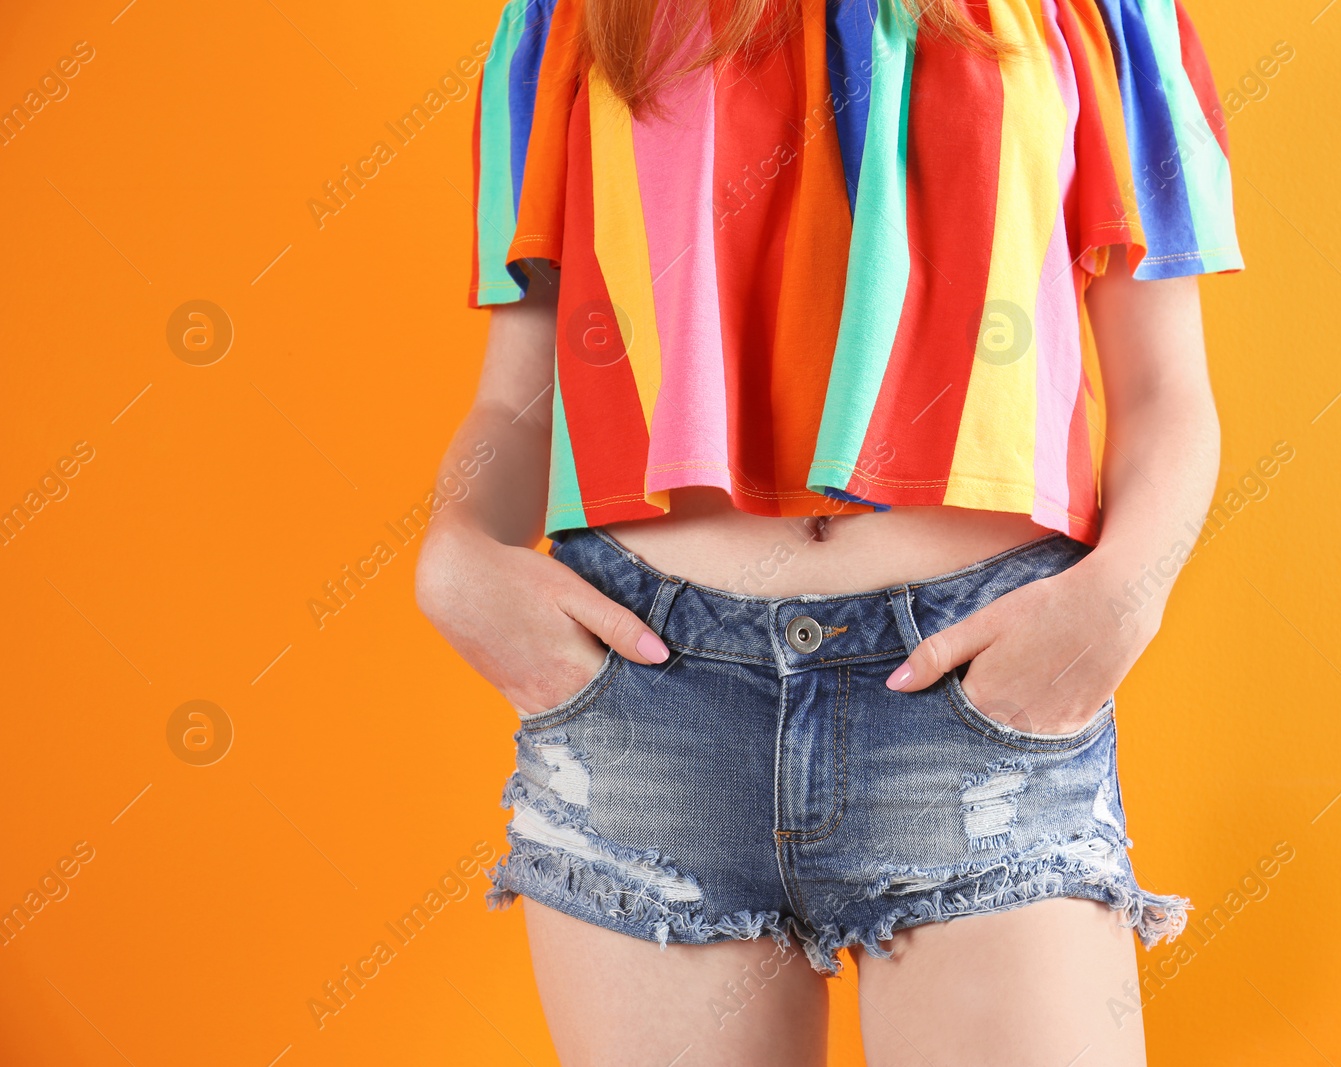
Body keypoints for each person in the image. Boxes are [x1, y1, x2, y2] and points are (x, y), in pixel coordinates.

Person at [418, 0, 1242, 1061]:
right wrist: (454, 552)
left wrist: (1118, 598)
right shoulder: (573, 14)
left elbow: (1167, 389)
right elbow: (514, 396)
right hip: (646, 699)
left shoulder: (1102, 10)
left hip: (976, 700)